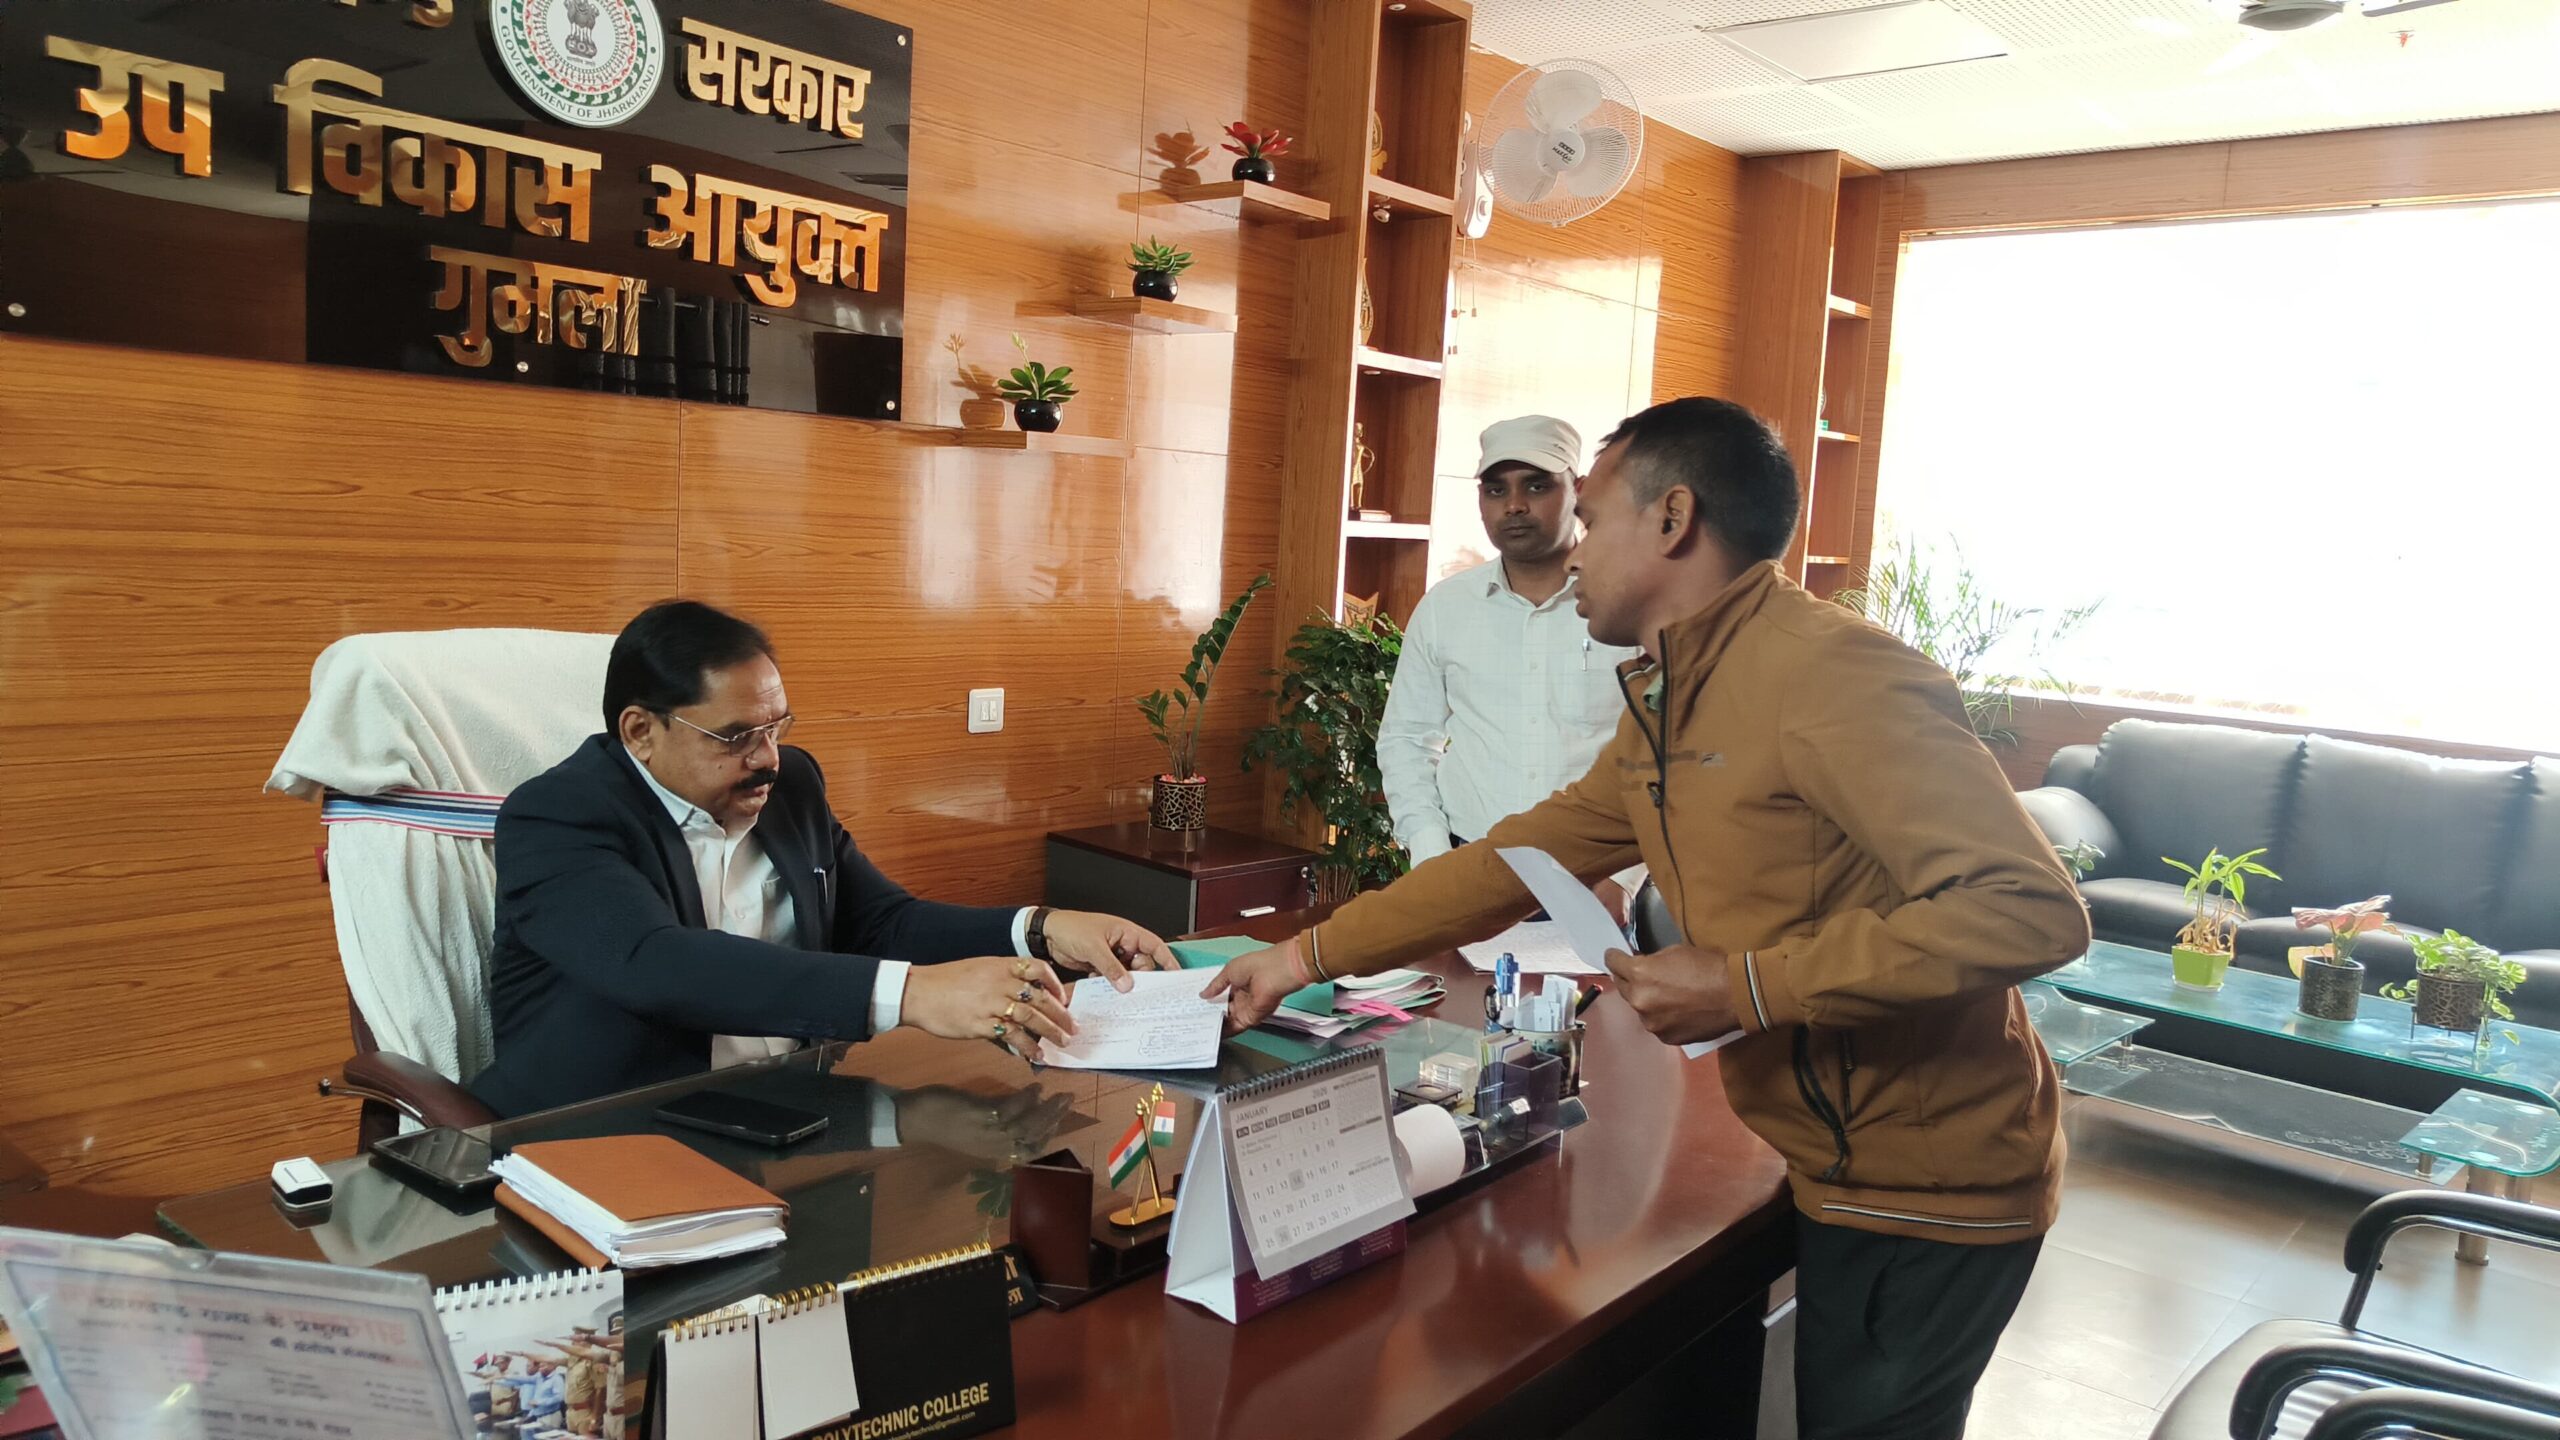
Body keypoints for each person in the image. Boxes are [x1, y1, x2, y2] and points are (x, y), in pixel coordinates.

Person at [1206, 397, 2091, 1440]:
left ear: (1672, 519)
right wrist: (1302, 956)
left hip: (1931, 1182)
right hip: (1832, 1160)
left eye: (1590, 517)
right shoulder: (1673, 700)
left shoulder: (1831, 673)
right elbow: (1504, 865)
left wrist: (1741, 986)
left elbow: (2028, 910)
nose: (1573, 551)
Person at [470, 600, 1180, 1117]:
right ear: (640, 732)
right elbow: (656, 964)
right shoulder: (558, 816)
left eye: (776, 726)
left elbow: (880, 923)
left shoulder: (791, 787)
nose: (768, 759)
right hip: (607, 1135)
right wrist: (913, 995)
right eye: (736, 737)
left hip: (794, 1108)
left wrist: (1042, 929)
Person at [1378, 415, 1641, 868]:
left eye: (1537, 486)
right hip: (1470, 860)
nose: (1514, 506)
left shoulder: (1629, 604)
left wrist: (1623, 881)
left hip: (1599, 869)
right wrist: (1431, 854)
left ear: (1578, 490)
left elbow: (1663, 754)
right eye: (1496, 490)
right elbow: (1406, 738)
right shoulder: (1446, 607)